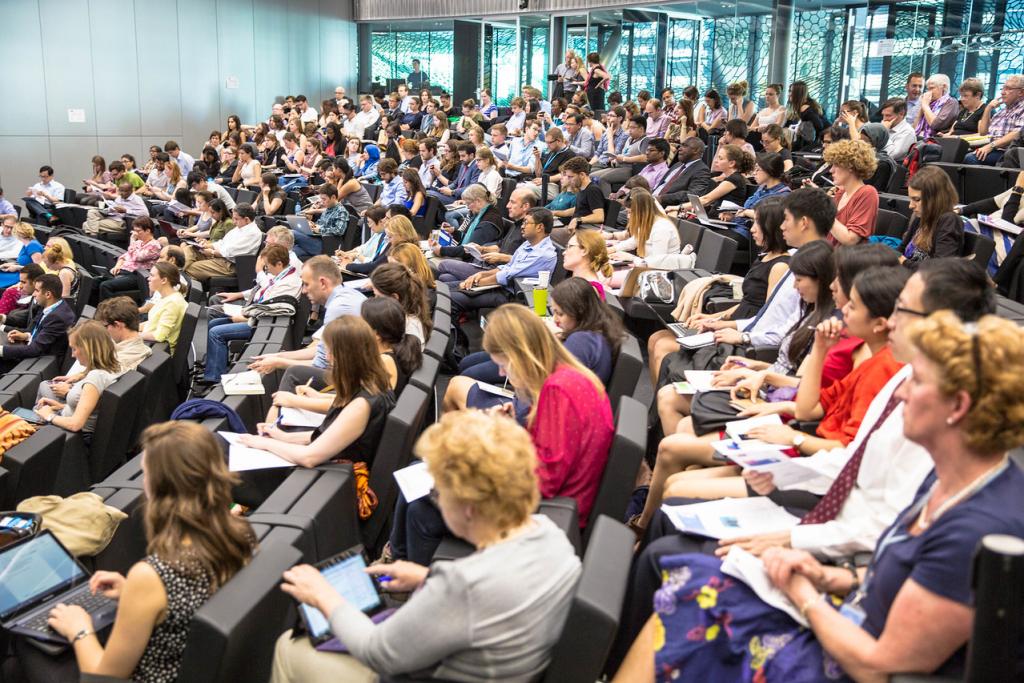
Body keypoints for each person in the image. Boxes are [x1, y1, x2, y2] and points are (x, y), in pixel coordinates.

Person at [616, 311, 1024, 682]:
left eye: (917, 382)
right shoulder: (952, 482)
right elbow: (901, 573)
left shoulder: (977, 528)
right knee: (685, 589)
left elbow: (878, 664)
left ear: (959, 406)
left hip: (847, 658)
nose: (900, 395)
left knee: (684, 602)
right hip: (845, 611)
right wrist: (830, 577)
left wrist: (804, 594)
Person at [270, 409, 580, 683]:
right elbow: (500, 599)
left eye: (438, 491)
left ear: (469, 506)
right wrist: (426, 578)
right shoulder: (553, 536)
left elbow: (378, 652)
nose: (436, 500)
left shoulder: (463, 585)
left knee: (289, 647)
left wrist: (324, 596)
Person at [22, 422, 254, 683]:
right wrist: (130, 591)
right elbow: (192, 598)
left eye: (145, 474)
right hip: (191, 662)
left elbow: (103, 677)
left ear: (160, 487)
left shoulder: (154, 575)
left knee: (30, 646)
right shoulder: (240, 533)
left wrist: (80, 629)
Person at [647, 197, 791, 383]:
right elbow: (746, 302)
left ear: (771, 227)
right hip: (733, 323)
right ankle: (660, 404)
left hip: (740, 336)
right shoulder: (764, 257)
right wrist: (713, 317)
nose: (752, 229)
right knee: (655, 338)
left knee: (662, 347)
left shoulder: (780, 266)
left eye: (757, 223)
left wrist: (721, 325)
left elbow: (765, 317)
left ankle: (667, 400)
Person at [239, 315, 395, 472]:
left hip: (334, 475)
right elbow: (328, 435)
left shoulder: (362, 404)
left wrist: (263, 443)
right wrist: (282, 437)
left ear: (344, 356)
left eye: (330, 352)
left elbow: (309, 457)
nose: (327, 357)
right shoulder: (374, 383)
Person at [448, 276, 625, 402]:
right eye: (554, 311)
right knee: (467, 362)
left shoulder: (582, 342)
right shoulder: (591, 332)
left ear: (578, 310)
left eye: (560, 314)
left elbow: (548, 385)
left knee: (464, 377)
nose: (555, 319)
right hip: (540, 391)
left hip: (537, 402)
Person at [248, 256, 365, 390]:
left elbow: (320, 365)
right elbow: (321, 350)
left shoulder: (338, 308)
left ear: (322, 283)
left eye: (306, 284)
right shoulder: (346, 296)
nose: (303, 290)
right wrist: (278, 355)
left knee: (295, 374)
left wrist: (278, 362)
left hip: (357, 380)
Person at [201, 245, 301, 384]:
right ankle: (216, 366)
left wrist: (243, 317)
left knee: (216, 333)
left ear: (279, 264)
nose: (267, 270)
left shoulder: (288, 283)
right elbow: (264, 293)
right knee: (214, 323)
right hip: (260, 317)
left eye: (267, 266)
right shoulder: (281, 275)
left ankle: (214, 378)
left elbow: (268, 307)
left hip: (262, 324)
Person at [445, 207, 557, 317]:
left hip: (513, 296)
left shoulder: (544, 254)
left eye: (526, 223)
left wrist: (476, 283)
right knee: (445, 286)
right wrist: (481, 274)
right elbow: (507, 267)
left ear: (539, 227)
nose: (522, 226)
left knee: (450, 297)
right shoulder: (528, 243)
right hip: (500, 287)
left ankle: (456, 334)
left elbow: (507, 275)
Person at [30, 320, 121, 435]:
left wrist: (49, 415)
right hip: (64, 417)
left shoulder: (96, 377)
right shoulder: (110, 368)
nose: (72, 355)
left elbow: (75, 424)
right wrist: (60, 406)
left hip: (68, 434)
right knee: (43, 390)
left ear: (88, 349)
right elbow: (91, 410)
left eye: (74, 349)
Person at [0, 274, 76, 369]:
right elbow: (35, 330)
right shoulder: (51, 306)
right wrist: (26, 336)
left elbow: (35, 349)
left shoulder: (57, 317)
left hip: (38, 364)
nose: (33, 294)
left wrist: (1, 350)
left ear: (48, 294)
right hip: (33, 355)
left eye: (36, 291)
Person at [900, 165, 964, 267]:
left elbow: (939, 268)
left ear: (935, 199)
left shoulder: (949, 220)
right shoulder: (919, 218)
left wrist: (904, 262)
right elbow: (901, 250)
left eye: (917, 200)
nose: (910, 206)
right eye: (910, 199)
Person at [183, 203, 263, 282]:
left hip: (229, 265)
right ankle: (180, 272)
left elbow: (230, 251)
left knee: (191, 268)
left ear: (247, 219)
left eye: (236, 219)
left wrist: (212, 252)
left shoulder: (253, 234)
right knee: (190, 249)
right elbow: (222, 243)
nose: (234, 222)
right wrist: (207, 245)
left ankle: (181, 276)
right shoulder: (240, 227)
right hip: (220, 258)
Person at [822, 139, 879, 245]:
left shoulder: (868, 193)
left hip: (846, 259)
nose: (831, 170)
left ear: (851, 166)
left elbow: (850, 239)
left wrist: (823, 209)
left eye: (836, 165)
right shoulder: (840, 193)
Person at [607, 188, 680, 265]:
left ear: (642, 211)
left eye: (630, 212)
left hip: (664, 272)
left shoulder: (661, 228)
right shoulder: (648, 222)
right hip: (648, 266)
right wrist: (612, 249)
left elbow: (657, 263)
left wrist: (632, 258)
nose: (628, 216)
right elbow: (635, 240)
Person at [727, 152, 791, 240]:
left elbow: (771, 217)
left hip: (751, 235)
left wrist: (746, 212)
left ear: (769, 170)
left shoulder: (783, 194)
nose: (754, 173)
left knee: (713, 240)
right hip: (737, 227)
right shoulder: (762, 188)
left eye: (758, 169)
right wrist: (733, 215)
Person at [97, 217, 162, 302]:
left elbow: (137, 257)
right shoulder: (138, 243)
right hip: (124, 272)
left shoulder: (154, 245)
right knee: (95, 281)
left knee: (105, 285)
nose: (135, 234)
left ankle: (110, 311)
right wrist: (117, 266)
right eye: (134, 231)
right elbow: (123, 257)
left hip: (137, 276)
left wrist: (132, 240)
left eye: (138, 231)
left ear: (148, 231)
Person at [369, 262, 432, 345]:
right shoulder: (412, 310)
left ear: (394, 297)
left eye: (377, 296)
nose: (375, 300)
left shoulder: (407, 328)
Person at [967, 74, 1024, 165]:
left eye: (1008, 88)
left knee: (971, 158)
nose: (1002, 92)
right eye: (1003, 88)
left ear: (1021, 92)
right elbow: (983, 132)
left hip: (1007, 152)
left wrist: (991, 146)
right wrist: (988, 108)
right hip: (989, 147)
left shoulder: (1022, 109)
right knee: (958, 151)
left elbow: (1017, 133)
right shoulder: (1001, 111)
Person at [140, 262, 186, 352]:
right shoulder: (167, 298)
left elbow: (159, 336)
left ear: (164, 280)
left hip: (155, 351)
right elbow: (153, 323)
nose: (148, 279)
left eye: (152, 276)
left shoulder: (172, 303)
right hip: (149, 344)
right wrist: (131, 328)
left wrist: (131, 335)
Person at [83, 182, 149, 236]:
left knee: (86, 224)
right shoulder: (119, 198)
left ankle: (94, 238)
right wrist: (110, 209)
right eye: (120, 191)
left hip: (120, 221)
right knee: (92, 212)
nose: (121, 193)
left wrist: (126, 211)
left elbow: (146, 213)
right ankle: (94, 236)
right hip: (111, 216)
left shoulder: (137, 199)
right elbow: (113, 207)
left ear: (131, 191)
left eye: (124, 191)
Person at [563, 228, 613, 299]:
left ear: (585, 250)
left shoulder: (589, 290)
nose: (564, 253)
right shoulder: (581, 285)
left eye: (569, 247)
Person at [914, 73, 959, 139]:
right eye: (928, 89)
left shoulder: (951, 102)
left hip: (937, 141)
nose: (929, 92)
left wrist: (925, 106)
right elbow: (914, 128)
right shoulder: (929, 103)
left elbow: (936, 125)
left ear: (944, 87)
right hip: (920, 139)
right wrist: (922, 108)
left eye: (932, 88)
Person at [879, 97, 917, 162]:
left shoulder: (907, 132)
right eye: (883, 115)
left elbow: (890, 155)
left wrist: (885, 132)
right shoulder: (887, 126)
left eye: (888, 115)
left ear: (901, 114)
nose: (884, 119)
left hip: (894, 168)